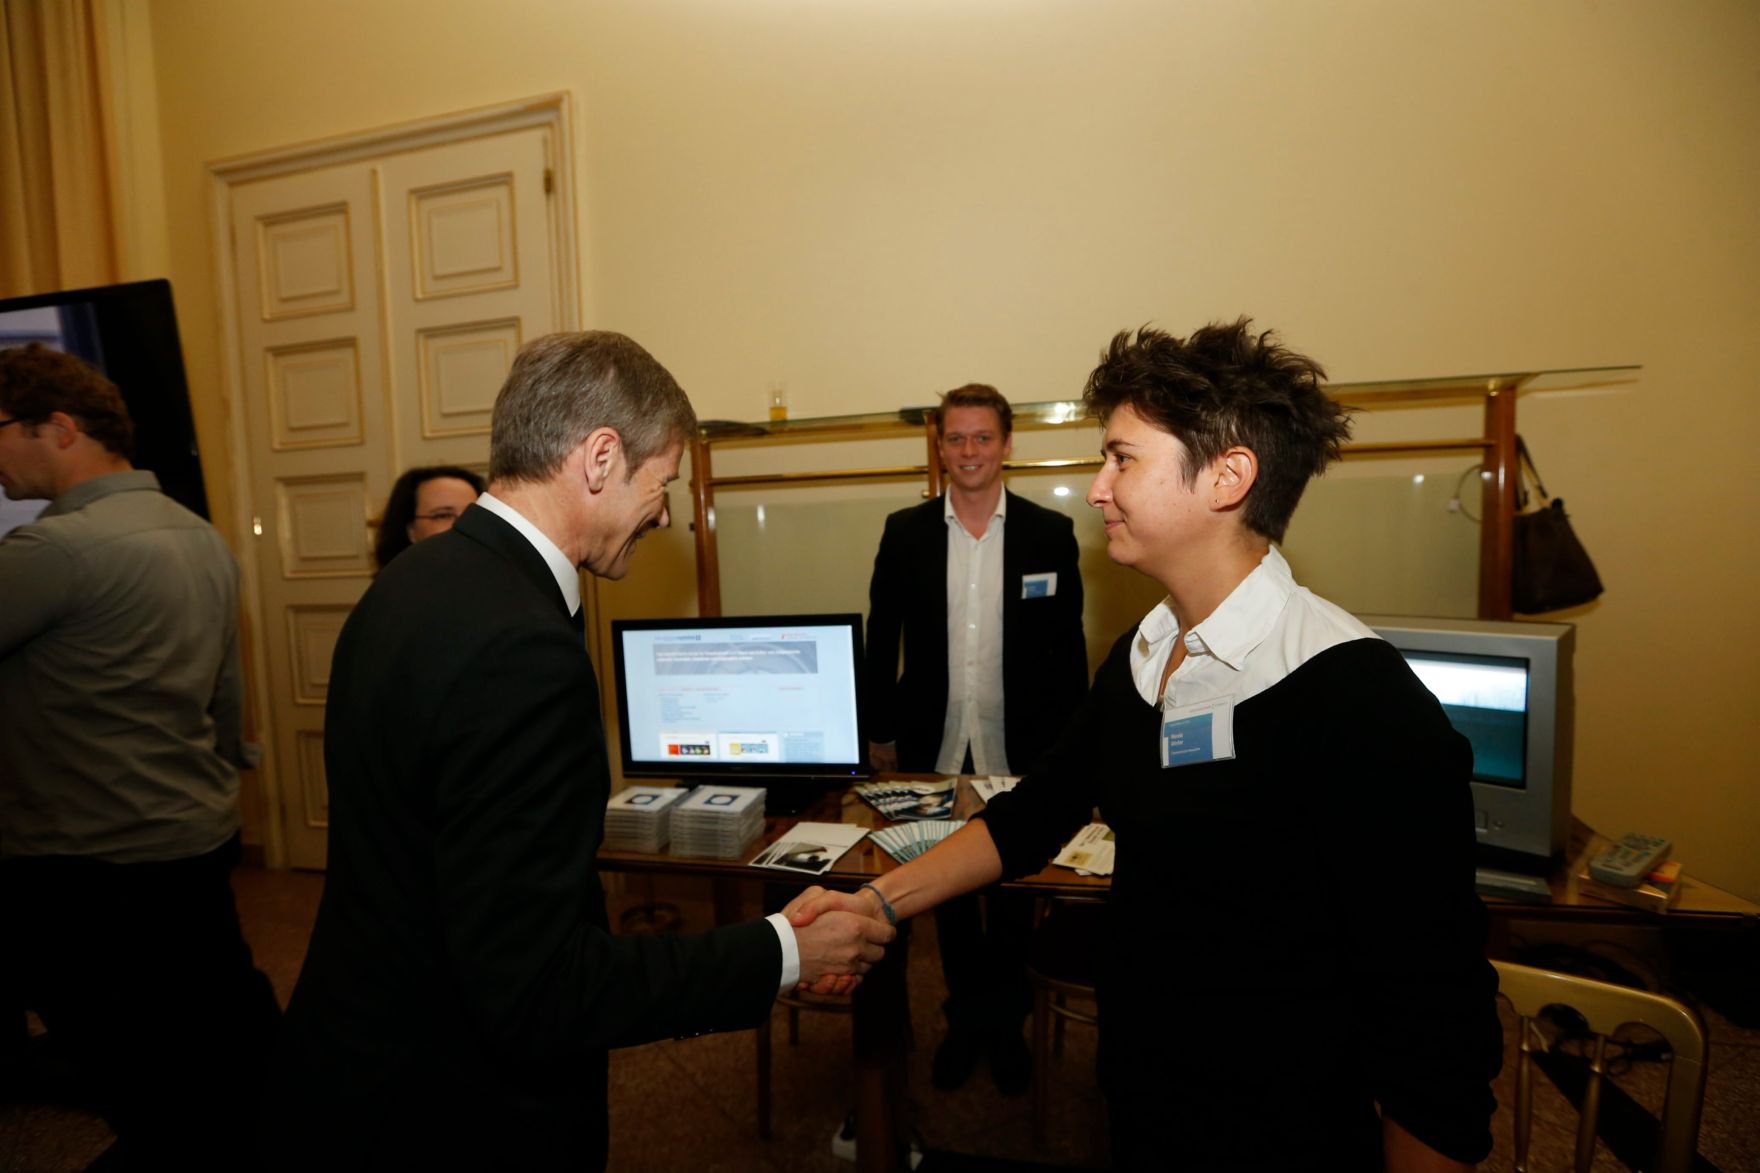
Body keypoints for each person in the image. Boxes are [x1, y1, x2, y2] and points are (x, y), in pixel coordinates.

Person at [793, 321, 1502, 1171]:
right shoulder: (1140, 653)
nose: (1097, 490)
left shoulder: (1362, 704)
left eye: (1123, 459)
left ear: (1228, 476)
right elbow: (1034, 814)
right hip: (1142, 1093)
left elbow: (1437, 1036)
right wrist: (878, 904)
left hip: (1285, 1128)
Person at [266, 331, 894, 1171]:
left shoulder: (410, 585)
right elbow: (536, 989)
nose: (665, 512)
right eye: (661, 481)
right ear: (600, 458)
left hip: (356, 1059)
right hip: (452, 1110)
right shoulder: (520, 649)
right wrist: (785, 947)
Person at [0, 343, 281, 1170]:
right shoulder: (199, 537)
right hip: (190, 834)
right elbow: (225, 698)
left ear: (57, 428)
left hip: (85, 862)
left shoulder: (52, 554)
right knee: (215, 1029)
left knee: (136, 1064)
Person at [864, 383, 1087, 1093]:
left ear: (1007, 445)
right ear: (940, 446)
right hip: (934, 745)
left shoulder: (1051, 535)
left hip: (1023, 743)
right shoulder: (905, 531)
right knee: (950, 893)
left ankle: (1007, 1025)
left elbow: (1068, 651)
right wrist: (880, 729)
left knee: (1017, 890)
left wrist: (1073, 751)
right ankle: (966, 1021)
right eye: (956, 438)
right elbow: (882, 639)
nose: (968, 451)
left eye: (982, 437)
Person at [371, 464, 485, 571]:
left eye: (472, 514)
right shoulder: (393, 589)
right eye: (443, 515)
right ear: (411, 530)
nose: (464, 523)